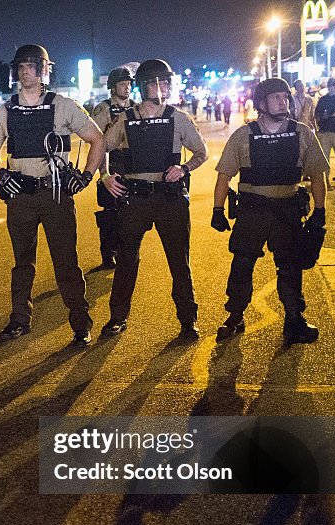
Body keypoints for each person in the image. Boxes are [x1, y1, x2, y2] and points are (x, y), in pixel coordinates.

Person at [0, 44, 105, 347]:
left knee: (66, 261)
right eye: (21, 66)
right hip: (20, 197)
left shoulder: (63, 105)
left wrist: (87, 176)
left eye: (31, 65)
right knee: (22, 262)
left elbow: (97, 140)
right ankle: (19, 320)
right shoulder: (6, 109)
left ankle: (80, 323)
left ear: (44, 70)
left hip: (55, 195)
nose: (25, 71)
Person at [211, 78, 329, 346]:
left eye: (285, 97)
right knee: (242, 266)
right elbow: (224, 176)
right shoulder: (244, 135)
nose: (282, 102)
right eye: (276, 97)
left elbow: (317, 175)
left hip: (287, 210)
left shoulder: (302, 133)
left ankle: (294, 319)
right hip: (253, 211)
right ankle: (235, 316)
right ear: (261, 104)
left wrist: (320, 210)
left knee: (290, 267)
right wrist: (218, 210)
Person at [101, 58, 208, 341]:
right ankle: (117, 317)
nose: (160, 87)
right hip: (134, 198)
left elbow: (201, 152)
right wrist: (105, 177)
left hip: (169, 198)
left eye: (164, 82)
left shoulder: (177, 118)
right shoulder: (126, 119)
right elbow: (102, 146)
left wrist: (183, 169)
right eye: (154, 82)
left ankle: (188, 321)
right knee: (126, 260)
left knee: (179, 262)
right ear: (142, 87)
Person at [90, 66, 136, 270]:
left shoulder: (137, 107)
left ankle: (127, 254)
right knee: (110, 215)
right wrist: (104, 174)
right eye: (122, 84)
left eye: (128, 84)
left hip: (133, 167)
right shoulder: (103, 109)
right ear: (112, 86)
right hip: (111, 164)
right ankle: (108, 256)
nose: (126, 87)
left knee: (132, 215)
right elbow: (98, 143)